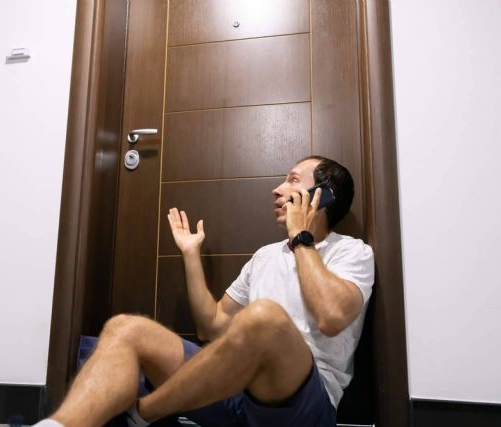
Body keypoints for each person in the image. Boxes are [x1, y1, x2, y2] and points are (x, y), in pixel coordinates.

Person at [35, 156, 375, 427]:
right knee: (125, 327)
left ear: (322, 194)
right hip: (235, 394)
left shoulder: (352, 252)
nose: (277, 189)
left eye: (292, 180)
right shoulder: (265, 257)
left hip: (302, 407)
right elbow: (212, 326)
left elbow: (332, 317)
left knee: (265, 317)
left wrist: (302, 238)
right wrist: (190, 254)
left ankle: (143, 412)